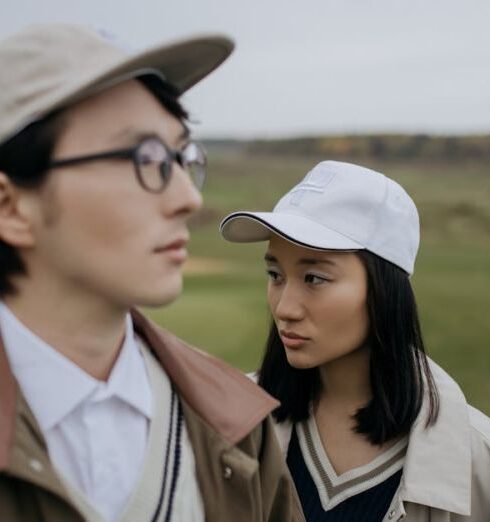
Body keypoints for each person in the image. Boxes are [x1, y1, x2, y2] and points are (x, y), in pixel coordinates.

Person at [0, 24, 303, 522]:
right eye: (145, 158)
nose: (188, 197)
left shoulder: (237, 422)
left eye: (184, 158)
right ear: (11, 207)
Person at [220, 160, 490, 521]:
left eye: (314, 278)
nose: (284, 308)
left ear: (384, 289)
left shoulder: (478, 457)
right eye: (275, 274)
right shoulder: (227, 424)